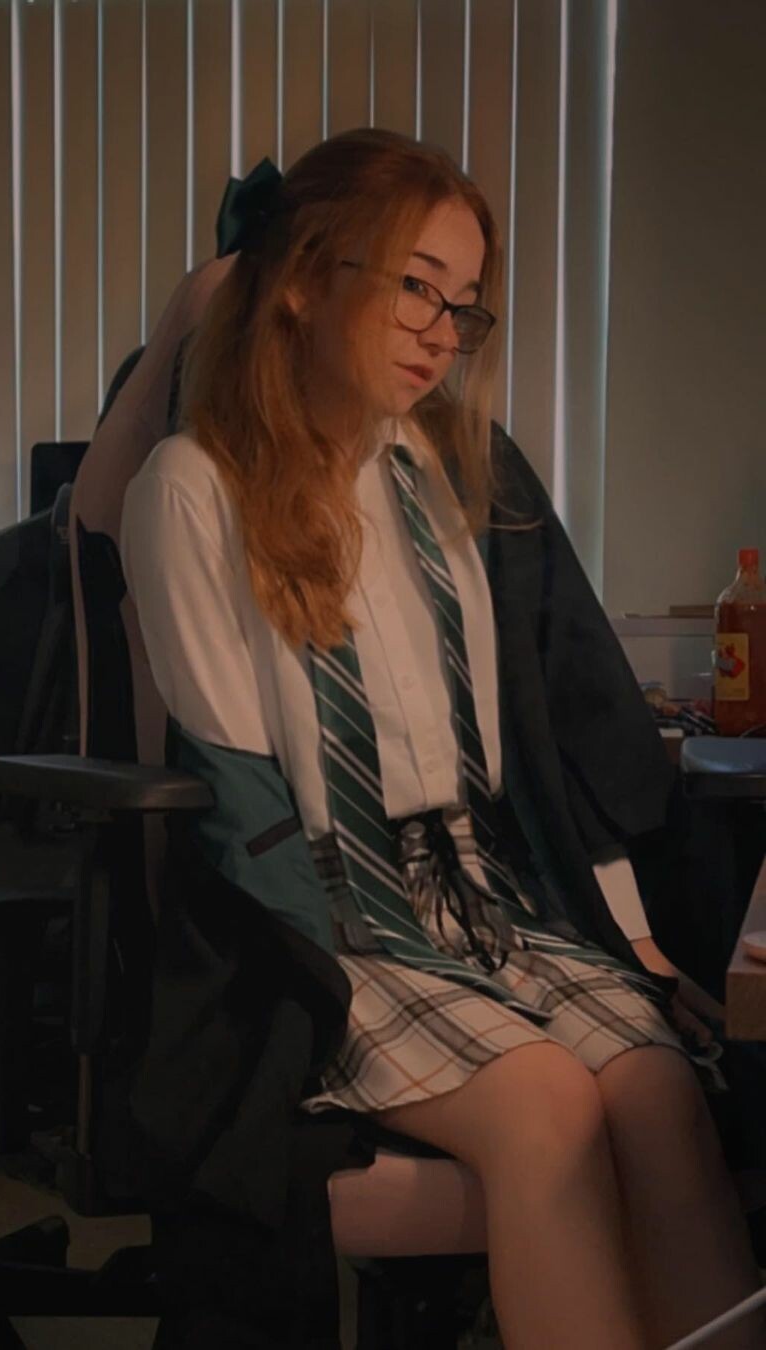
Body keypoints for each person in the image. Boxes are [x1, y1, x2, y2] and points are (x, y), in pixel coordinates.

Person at [118, 129, 766, 1349]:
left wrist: (624, 933)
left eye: (462, 306)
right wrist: (331, 985)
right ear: (304, 278)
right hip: (333, 918)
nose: (441, 331)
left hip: (486, 896)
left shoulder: (436, 470)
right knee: (544, 1108)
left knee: (660, 1093)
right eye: (415, 286)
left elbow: (536, 755)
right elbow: (244, 806)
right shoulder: (191, 489)